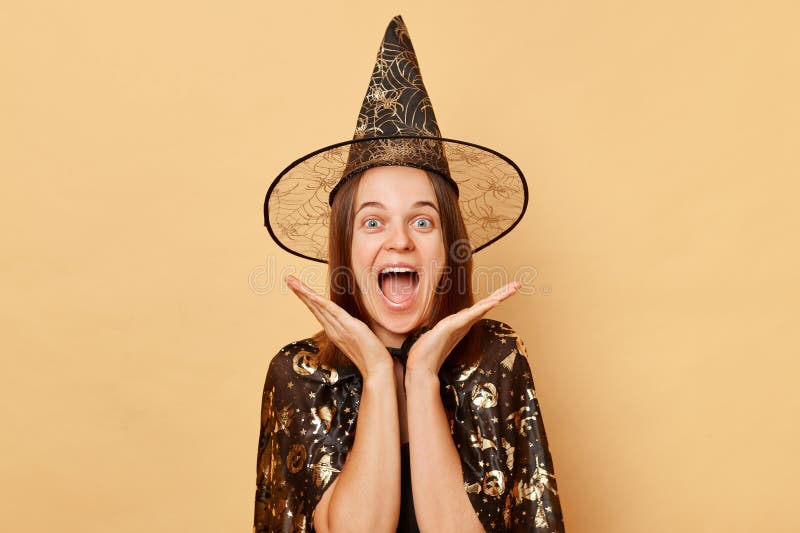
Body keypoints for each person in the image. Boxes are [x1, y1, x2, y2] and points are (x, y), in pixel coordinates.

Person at [256, 15, 565, 533]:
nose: (399, 240)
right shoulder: (301, 374)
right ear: (345, 249)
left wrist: (421, 376)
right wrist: (378, 373)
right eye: (372, 221)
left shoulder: (497, 358)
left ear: (449, 248)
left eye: (422, 221)